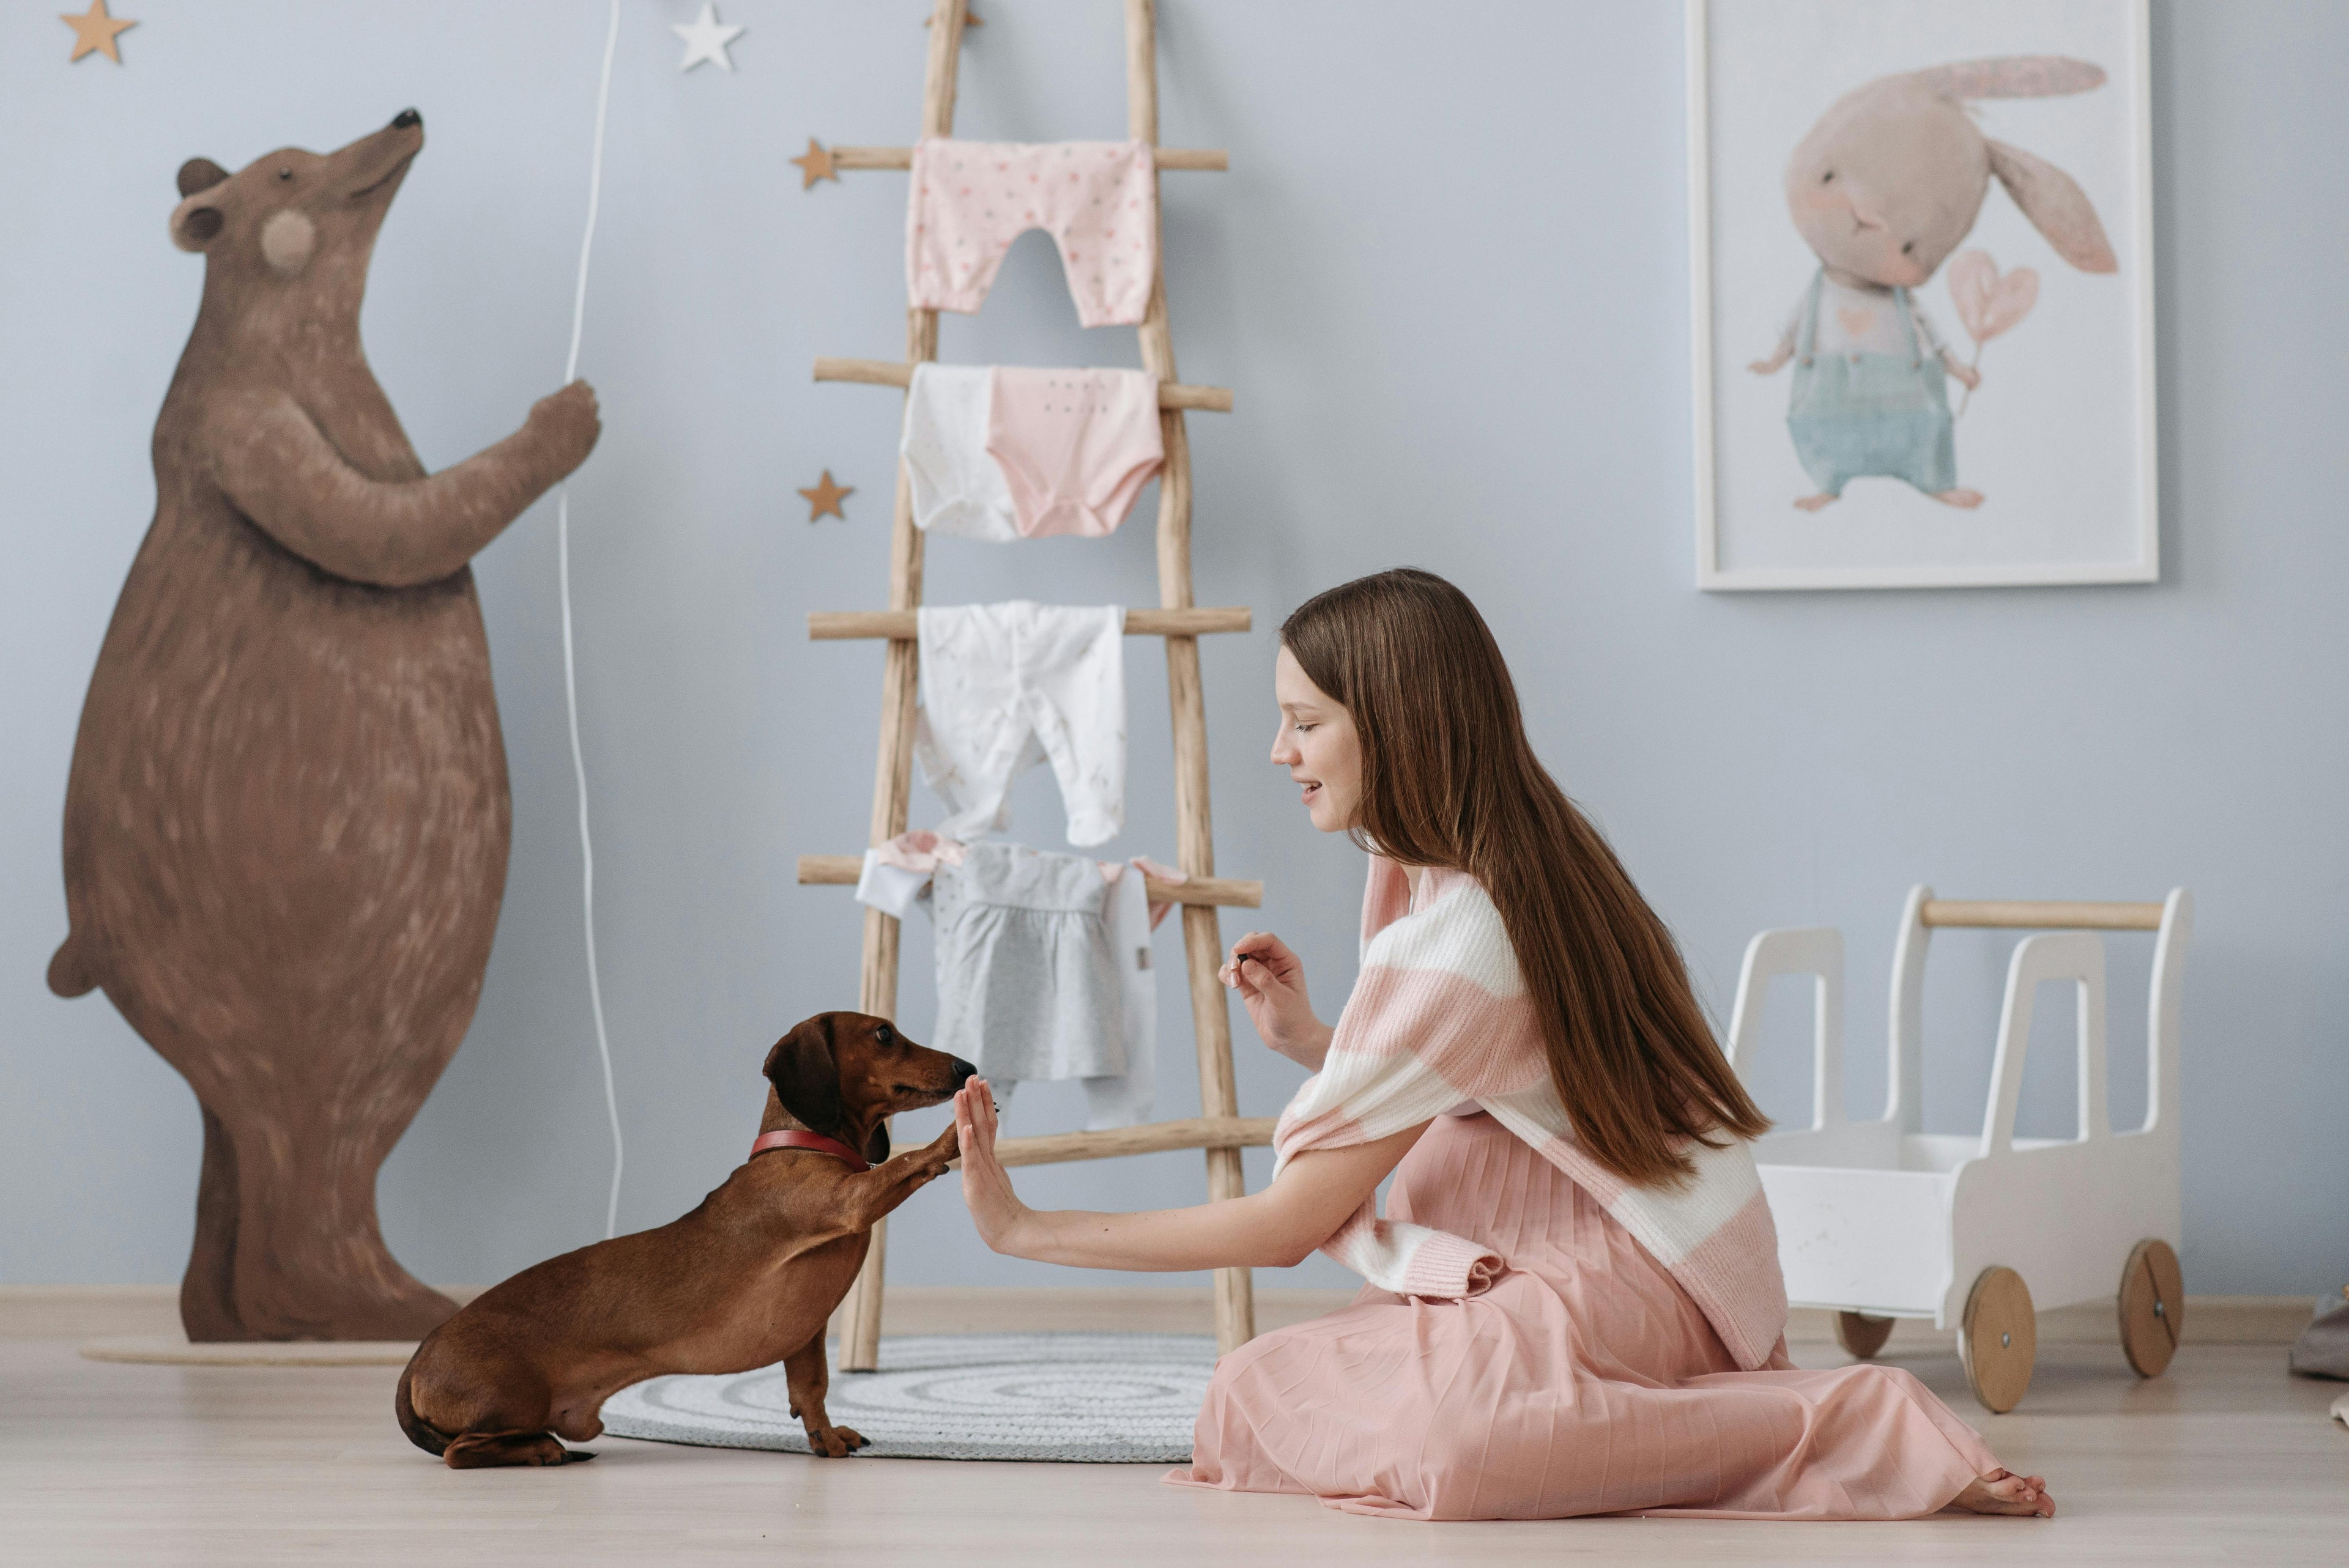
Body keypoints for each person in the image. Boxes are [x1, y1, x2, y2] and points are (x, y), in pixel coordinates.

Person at [949, 568, 2052, 1521]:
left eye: (1306, 720)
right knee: (1250, 1397)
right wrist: (1322, 1042)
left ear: (1399, 724)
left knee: (1450, 1448)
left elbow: (1290, 1227)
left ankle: (1843, 1420)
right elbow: (1503, 1077)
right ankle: (1637, 1405)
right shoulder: (1498, 853)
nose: (1278, 749)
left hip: (1644, 1264)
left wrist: (1025, 1229)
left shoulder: (1465, 925)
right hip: (1589, 1228)